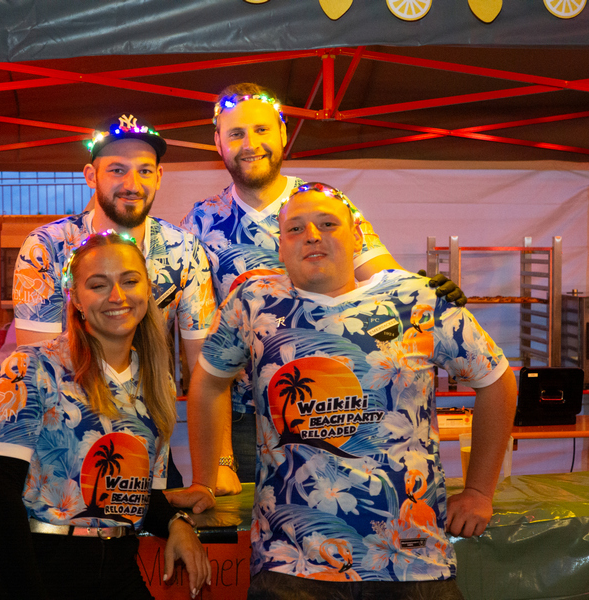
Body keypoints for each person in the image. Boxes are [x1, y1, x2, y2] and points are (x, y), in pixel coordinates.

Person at [184, 183, 515, 599]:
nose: (312, 236)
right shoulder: (252, 302)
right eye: (296, 228)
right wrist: (204, 479)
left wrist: (480, 490)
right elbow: (208, 382)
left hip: (412, 560)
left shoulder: (417, 299)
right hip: (291, 563)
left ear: (358, 237)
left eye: (327, 224)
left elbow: (497, 381)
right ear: (280, 247)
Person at [180, 83, 466, 487]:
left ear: (283, 133)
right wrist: (221, 456)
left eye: (261, 130)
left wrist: (423, 290)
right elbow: (198, 340)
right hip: (243, 418)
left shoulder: (321, 203)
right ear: (218, 143)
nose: (250, 144)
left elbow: (381, 275)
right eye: (237, 133)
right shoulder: (200, 222)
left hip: (331, 404)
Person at [11, 113, 239, 493]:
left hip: (150, 442)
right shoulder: (47, 248)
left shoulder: (183, 250)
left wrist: (220, 463)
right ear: (91, 176)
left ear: (159, 177)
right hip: (65, 446)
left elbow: (208, 371)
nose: (132, 184)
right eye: (117, 170)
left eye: (144, 171)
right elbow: (37, 371)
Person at [0, 231, 211, 600]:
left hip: (119, 570)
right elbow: (0, 493)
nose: (117, 296)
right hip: (40, 572)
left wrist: (175, 522)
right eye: (98, 285)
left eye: (130, 281)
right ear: (75, 298)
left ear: (148, 289)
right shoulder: (31, 367)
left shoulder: (158, 382)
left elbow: (139, 495)